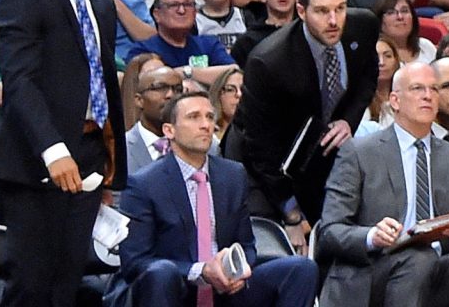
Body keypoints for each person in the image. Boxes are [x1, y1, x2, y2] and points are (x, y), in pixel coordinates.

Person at [0, 0, 125, 307]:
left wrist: (111, 167)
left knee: (68, 285)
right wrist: (53, 151)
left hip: (89, 157)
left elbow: (103, 83)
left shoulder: (101, 3)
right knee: (31, 286)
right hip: (36, 161)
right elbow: (20, 82)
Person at [315, 61, 449, 307]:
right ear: (395, 101)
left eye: (433, 89)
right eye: (418, 89)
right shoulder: (359, 152)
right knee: (418, 258)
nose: (427, 96)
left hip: (437, 268)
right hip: (374, 271)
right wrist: (371, 236)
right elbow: (330, 231)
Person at [110, 87, 320, 307]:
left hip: (225, 288)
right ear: (169, 130)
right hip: (175, 287)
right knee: (162, 272)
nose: (205, 125)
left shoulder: (233, 174)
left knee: (301, 269)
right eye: (193, 117)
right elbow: (136, 262)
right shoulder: (143, 183)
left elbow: (247, 244)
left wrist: (238, 270)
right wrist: (200, 271)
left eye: (210, 117)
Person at [231, 0, 378, 235]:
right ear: (301, 11)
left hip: (319, 152)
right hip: (263, 163)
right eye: (322, 11)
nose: (334, 21)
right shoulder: (269, 61)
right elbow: (259, 147)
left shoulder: (364, 25)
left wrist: (349, 119)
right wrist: (291, 213)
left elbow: (368, 74)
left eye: (340, 8)